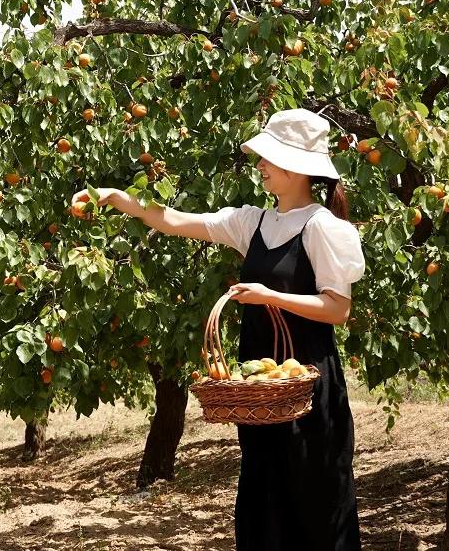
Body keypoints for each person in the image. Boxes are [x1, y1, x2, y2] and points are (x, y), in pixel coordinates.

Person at [72, 109, 365, 550]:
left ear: (294, 167)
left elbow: (337, 309)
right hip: (259, 391)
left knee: (314, 501)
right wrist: (116, 197)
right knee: (263, 498)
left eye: (269, 158)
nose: (260, 165)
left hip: (307, 389)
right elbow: (173, 219)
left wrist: (271, 297)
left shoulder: (323, 227)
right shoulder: (255, 222)